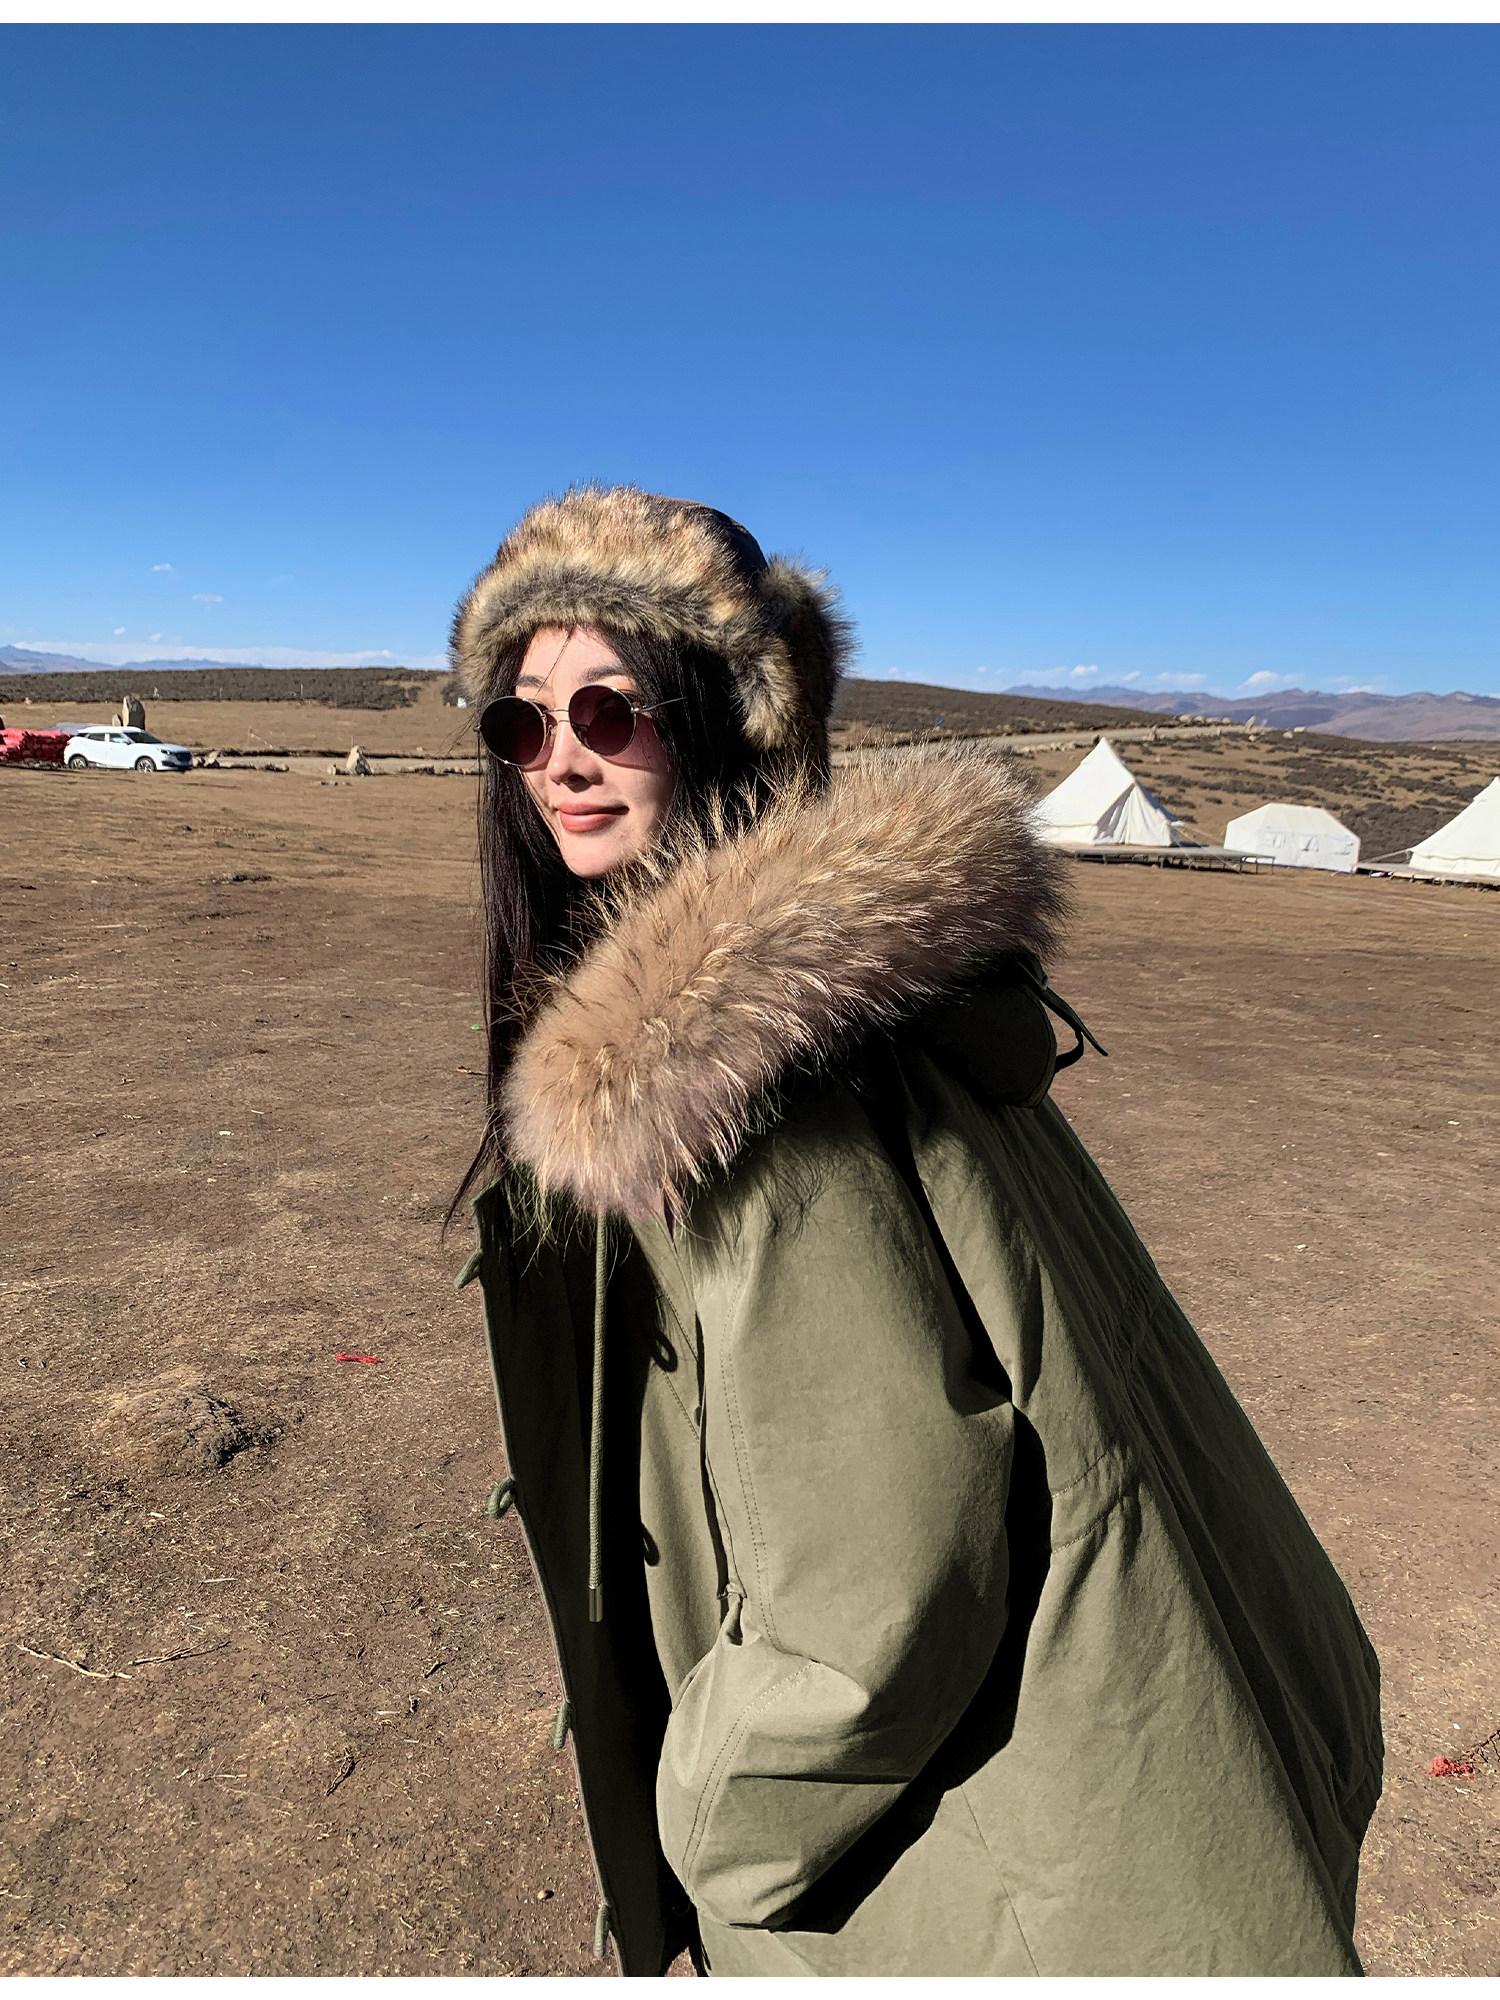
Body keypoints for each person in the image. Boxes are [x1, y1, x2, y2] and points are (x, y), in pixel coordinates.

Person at [449, 485, 1382, 1977]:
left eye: (612, 711)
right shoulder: (891, 989)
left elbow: (874, 1587)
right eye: (521, 722)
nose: (561, 759)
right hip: (1148, 1754)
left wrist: (706, 1825)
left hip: (988, 1870)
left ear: (724, 718)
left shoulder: (729, 1078)